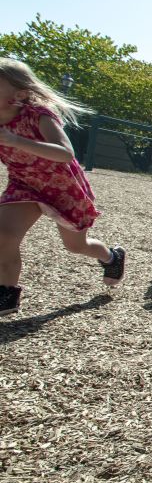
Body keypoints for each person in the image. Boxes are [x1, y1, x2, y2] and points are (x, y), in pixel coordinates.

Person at [0, 58, 126, 316]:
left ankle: (111, 257)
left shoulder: (39, 115)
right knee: (3, 235)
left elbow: (65, 153)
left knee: (76, 246)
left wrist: (16, 141)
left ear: (19, 94)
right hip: (23, 184)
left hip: (63, 188)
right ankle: (7, 292)